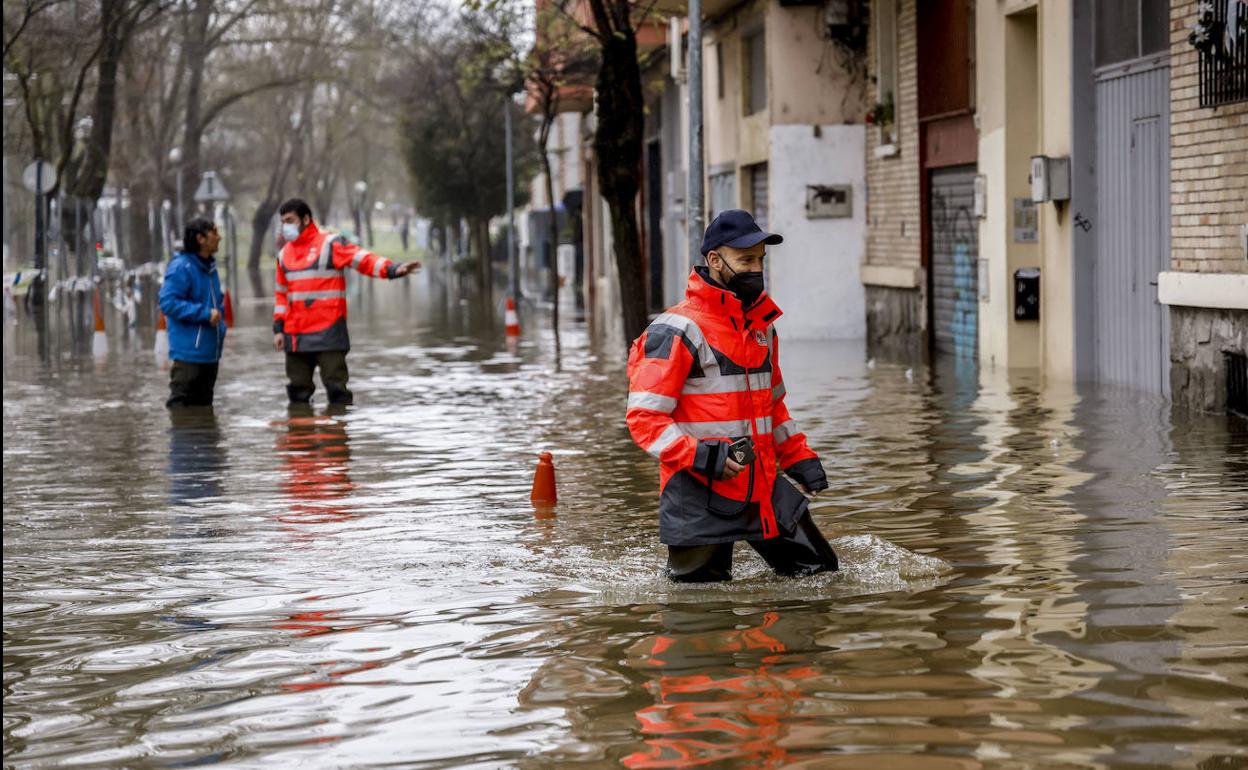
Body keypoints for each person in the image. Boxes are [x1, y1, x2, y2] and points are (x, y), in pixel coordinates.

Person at [625, 209, 839, 582]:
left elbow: (773, 407)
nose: (756, 269)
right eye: (745, 260)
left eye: (760, 260)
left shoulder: (762, 329)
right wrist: (700, 456)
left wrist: (798, 458)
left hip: (762, 485)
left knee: (821, 574)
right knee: (699, 609)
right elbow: (645, 419)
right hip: (697, 488)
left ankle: (772, 641)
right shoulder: (676, 329)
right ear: (714, 260)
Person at [271, 198, 420, 405]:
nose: (286, 227)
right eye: (283, 222)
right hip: (296, 336)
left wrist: (392, 270)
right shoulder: (283, 255)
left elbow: (362, 259)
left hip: (329, 331)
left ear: (306, 219)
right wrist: (278, 328)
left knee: (337, 392)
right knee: (297, 394)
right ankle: (300, 436)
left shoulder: (331, 243)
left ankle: (338, 434)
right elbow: (281, 295)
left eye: (290, 220)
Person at [160, 218, 226, 408]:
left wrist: (221, 329)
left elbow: (217, 302)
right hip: (189, 354)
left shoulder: (210, 267)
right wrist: (204, 314)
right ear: (201, 238)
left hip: (210, 352)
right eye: (215, 232)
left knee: (204, 411)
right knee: (182, 408)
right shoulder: (182, 267)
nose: (219, 237)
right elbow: (168, 302)